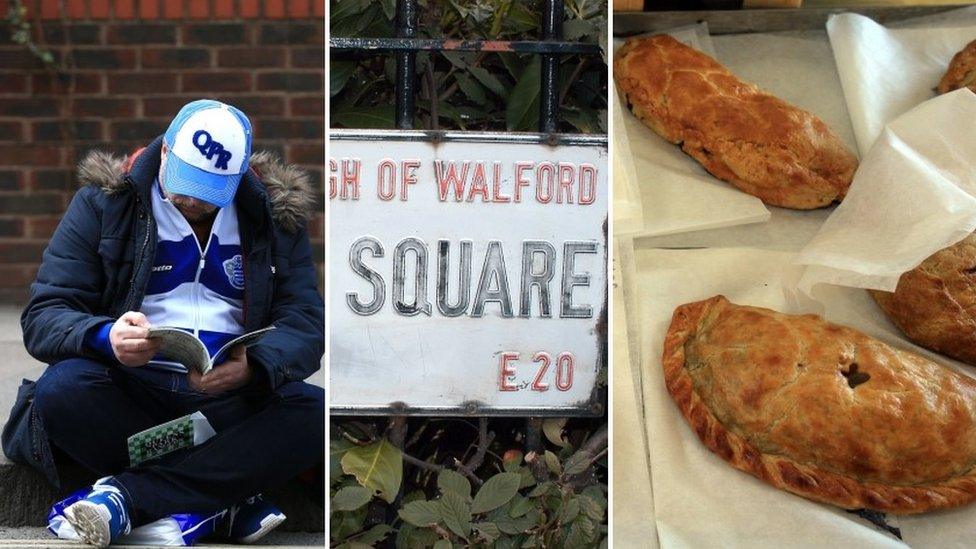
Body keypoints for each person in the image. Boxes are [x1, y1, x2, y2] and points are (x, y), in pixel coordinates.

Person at [1, 99, 324, 547]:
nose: (191, 199)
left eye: (209, 190)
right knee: (61, 392)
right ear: (166, 153)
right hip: (130, 397)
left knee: (313, 415)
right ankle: (221, 503)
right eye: (184, 183)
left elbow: (305, 322)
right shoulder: (103, 203)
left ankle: (129, 499)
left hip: (224, 406)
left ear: (239, 178)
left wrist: (255, 366)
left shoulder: (274, 217)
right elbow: (45, 315)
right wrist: (105, 336)